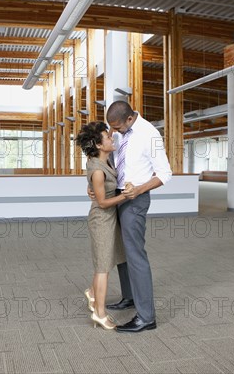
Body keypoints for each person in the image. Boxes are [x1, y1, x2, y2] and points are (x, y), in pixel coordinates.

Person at [104, 100, 172, 333]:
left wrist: (139, 190)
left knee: (135, 255)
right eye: (111, 128)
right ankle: (129, 297)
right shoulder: (121, 131)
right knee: (122, 252)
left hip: (135, 200)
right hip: (118, 195)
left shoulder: (150, 135)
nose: (114, 132)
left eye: (118, 128)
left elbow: (165, 173)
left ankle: (146, 317)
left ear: (130, 119)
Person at [75, 121, 130, 330]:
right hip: (101, 219)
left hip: (110, 219)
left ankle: (91, 291)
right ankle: (99, 313)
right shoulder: (98, 170)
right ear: (99, 145)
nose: (111, 138)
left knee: (107, 261)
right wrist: (125, 195)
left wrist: (112, 129)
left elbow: (107, 135)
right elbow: (103, 202)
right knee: (102, 268)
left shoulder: (99, 158)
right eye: (107, 137)